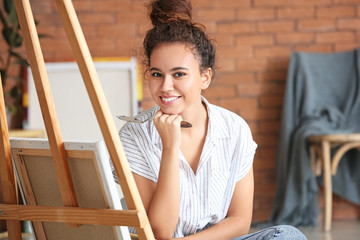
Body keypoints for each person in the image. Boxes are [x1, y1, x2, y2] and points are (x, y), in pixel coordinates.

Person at [116, 0, 307, 239]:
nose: (165, 86)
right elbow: (158, 232)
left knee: (288, 235)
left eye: (179, 74)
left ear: (205, 77)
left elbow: (239, 221)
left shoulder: (234, 129)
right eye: (157, 74)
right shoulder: (134, 134)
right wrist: (170, 148)